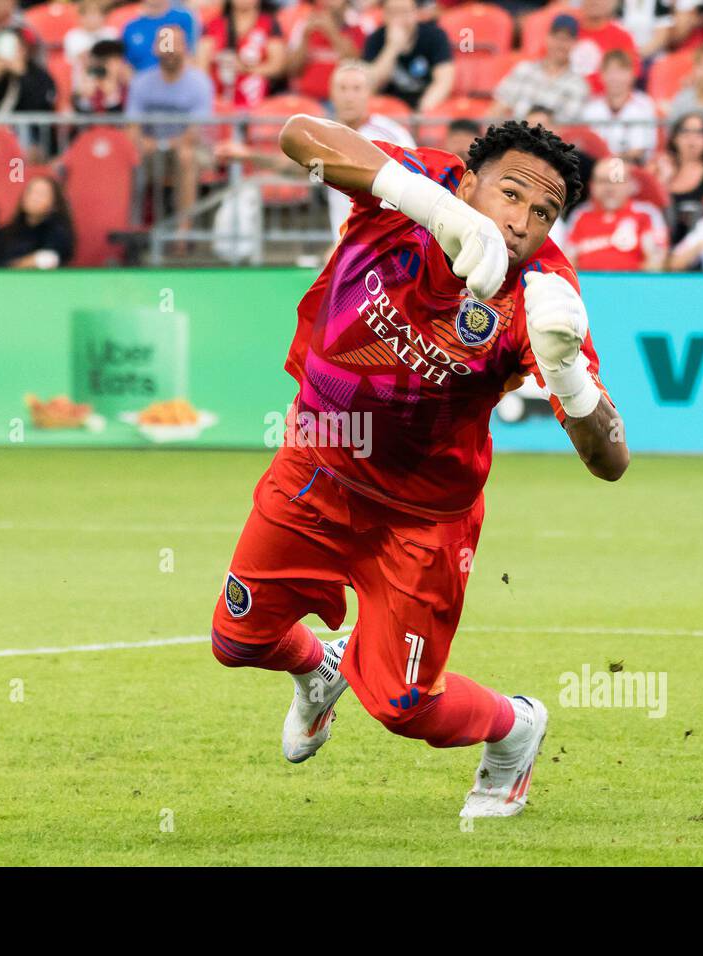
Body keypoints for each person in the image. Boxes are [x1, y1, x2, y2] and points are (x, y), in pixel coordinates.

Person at [211, 115, 628, 818]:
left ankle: (516, 727)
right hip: (317, 460)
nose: (522, 222)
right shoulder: (418, 184)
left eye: (544, 213)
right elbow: (297, 136)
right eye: (511, 195)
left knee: (404, 706)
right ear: (466, 181)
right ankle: (318, 671)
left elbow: (610, 460)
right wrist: (427, 204)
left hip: (422, 519)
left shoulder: (544, 296)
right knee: (236, 640)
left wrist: (567, 376)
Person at [125, 24, 213, 229]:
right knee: (128, 157)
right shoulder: (141, 82)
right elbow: (132, 128)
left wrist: (160, 143)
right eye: (165, 44)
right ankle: (131, 229)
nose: (170, 50)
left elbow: (194, 133)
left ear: (186, 48)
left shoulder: (199, 83)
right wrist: (144, 143)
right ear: (156, 48)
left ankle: (184, 232)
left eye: (175, 45)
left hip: (192, 148)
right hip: (152, 149)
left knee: (186, 155)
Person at [322, 58, 414, 240]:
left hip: (385, 243)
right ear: (331, 93)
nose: (349, 97)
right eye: (342, 88)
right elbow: (295, 167)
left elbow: (414, 183)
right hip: (345, 245)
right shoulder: (323, 136)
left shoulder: (392, 136)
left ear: (369, 94)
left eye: (356, 89)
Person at [562, 156, 668, 272]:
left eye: (616, 180)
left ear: (630, 184)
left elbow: (656, 260)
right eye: (602, 181)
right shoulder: (580, 215)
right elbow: (567, 260)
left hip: (632, 284)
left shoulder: (646, 214)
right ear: (592, 186)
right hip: (586, 285)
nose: (609, 188)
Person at [0, 175, 74, 268]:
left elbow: (47, 259)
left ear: (54, 204)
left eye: (41, 194)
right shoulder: (7, 231)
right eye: (30, 192)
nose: (33, 197)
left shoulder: (57, 231)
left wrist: (6, 269)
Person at [0, 28, 58, 158]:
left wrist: (21, 75)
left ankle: (17, 178)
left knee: (21, 139)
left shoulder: (39, 75)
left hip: (32, 137)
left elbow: (40, 106)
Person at [491, 13, 587, 123]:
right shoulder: (524, 69)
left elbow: (565, 128)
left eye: (567, 39)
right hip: (513, 135)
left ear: (575, 43)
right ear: (547, 38)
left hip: (548, 138)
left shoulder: (578, 85)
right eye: (557, 37)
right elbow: (498, 108)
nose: (560, 44)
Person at [650, 111, 703, 245]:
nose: (692, 140)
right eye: (685, 133)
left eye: (699, 134)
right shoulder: (659, 167)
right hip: (664, 243)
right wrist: (665, 180)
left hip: (699, 244)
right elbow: (649, 211)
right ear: (675, 138)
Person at [362, 0, 453, 112]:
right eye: (393, 12)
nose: (399, 18)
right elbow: (372, 86)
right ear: (384, 14)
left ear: (415, 13)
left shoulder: (435, 36)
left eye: (405, 11)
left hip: (426, 105)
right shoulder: (375, 39)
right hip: (388, 109)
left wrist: (421, 112)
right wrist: (392, 47)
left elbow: (443, 81)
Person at [198, 0, 286, 109]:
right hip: (219, 101)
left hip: (256, 101)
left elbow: (278, 66)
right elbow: (202, 67)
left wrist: (245, 69)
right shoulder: (213, 25)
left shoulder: (269, 24)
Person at [578, 49, 658, 164]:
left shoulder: (644, 105)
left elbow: (638, 152)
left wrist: (612, 162)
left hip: (632, 168)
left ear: (632, 75)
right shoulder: (591, 109)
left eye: (621, 71)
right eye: (610, 71)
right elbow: (587, 147)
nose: (615, 78)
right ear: (601, 75)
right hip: (597, 167)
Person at [285, 0, 365, 103]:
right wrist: (305, 37)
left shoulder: (356, 25)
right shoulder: (304, 25)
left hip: (339, 101)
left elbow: (355, 62)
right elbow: (292, 69)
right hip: (305, 98)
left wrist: (331, 32)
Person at [568, 0, 638, 95]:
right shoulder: (567, 30)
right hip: (566, 95)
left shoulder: (622, 37)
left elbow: (631, 73)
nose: (594, 2)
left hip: (603, 100)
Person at [122, 0, 199, 73]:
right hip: (144, 82)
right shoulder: (131, 27)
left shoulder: (183, 18)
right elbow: (127, 66)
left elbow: (192, 56)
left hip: (177, 81)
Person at [72, 38, 130, 116]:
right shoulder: (91, 84)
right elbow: (82, 125)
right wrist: (85, 99)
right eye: (107, 62)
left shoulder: (127, 87)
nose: (118, 66)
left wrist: (111, 96)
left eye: (118, 61)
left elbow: (121, 124)